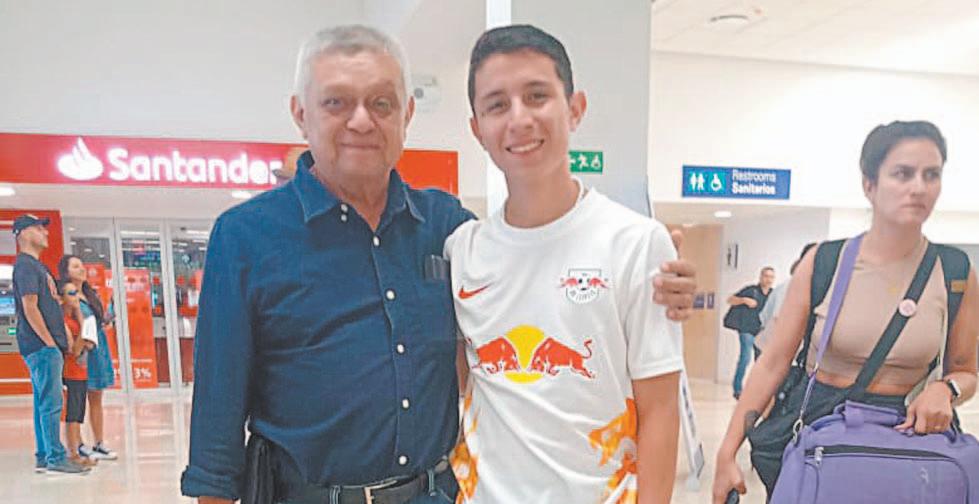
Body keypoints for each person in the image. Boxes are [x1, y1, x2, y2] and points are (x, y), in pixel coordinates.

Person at [181, 25, 697, 504]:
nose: (361, 120)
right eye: (336, 102)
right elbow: (215, 431)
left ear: (406, 115)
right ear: (300, 113)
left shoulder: (445, 227)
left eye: (381, 103)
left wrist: (660, 277)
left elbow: (539, 273)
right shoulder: (246, 237)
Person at [445, 25, 683, 503]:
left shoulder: (635, 243)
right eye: (497, 105)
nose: (519, 119)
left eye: (537, 96)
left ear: (575, 108)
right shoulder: (462, 251)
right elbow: (463, 383)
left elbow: (660, 410)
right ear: (477, 129)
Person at [712, 120, 979, 503]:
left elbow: (966, 370)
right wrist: (727, 452)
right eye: (903, 173)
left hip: (909, 441)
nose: (919, 187)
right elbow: (772, 363)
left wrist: (946, 389)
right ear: (870, 184)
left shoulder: (954, 272)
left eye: (931, 175)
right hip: (822, 431)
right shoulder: (826, 263)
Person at [11, 214, 90, 475]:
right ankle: (56, 456)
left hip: (45, 346)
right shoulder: (25, 266)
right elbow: (30, 306)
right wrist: (49, 342)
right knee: (51, 403)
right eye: (38, 228)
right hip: (42, 346)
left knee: (43, 401)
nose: (45, 232)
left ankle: (45, 455)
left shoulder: (37, 267)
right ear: (23, 233)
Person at [58, 255, 118, 461]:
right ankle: (78, 443)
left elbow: (98, 321)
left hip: (98, 348)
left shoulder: (91, 295)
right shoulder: (68, 295)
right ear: (66, 272)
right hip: (81, 351)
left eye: (82, 265)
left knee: (96, 396)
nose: (81, 269)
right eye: (76, 266)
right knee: (77, 399)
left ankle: (99, 442)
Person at [58, 281, 98, 468]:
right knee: (72, 414)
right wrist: (84, 333)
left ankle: (76, 450)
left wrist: (82, 320)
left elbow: (88, 343)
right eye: (71, 293)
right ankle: (72, 452)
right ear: (61, 298)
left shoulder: (76, 318)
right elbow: (74, 349)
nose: (76, 297)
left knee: (79, 413)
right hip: (70, 372)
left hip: (81, 372)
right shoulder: (62, 322)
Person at [755, 244, 816, 351]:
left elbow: (764, 317)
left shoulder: (785, 287)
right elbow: (778, 318)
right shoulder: (791, 287)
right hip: (776, 346)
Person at [727, 267, 775, 399]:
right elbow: (730, 299)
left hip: (762, 332)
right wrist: (744, 300)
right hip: (746, 330)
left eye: (771, 277)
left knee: (760, 361)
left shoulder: (773, 294)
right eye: (766, 276)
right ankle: (737, 389)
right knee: (745, 358)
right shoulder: (751, 290)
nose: (768, 279)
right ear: (761, 277)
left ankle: (758, 390)